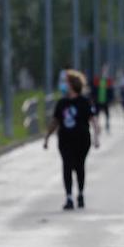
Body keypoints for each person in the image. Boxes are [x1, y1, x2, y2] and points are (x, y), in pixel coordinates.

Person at [43, 69, 100, 210]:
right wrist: (47, 138)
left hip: (82, 140)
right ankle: (69, 197)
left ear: (72, 85)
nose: (64, 86)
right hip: (65, 141)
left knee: (80, 166)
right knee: (67, 166)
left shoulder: (84, 102)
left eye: (66, 83)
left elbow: (94, 121)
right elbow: (55, 122)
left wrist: (96, 137)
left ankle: (80, 194)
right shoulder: (62, 103)